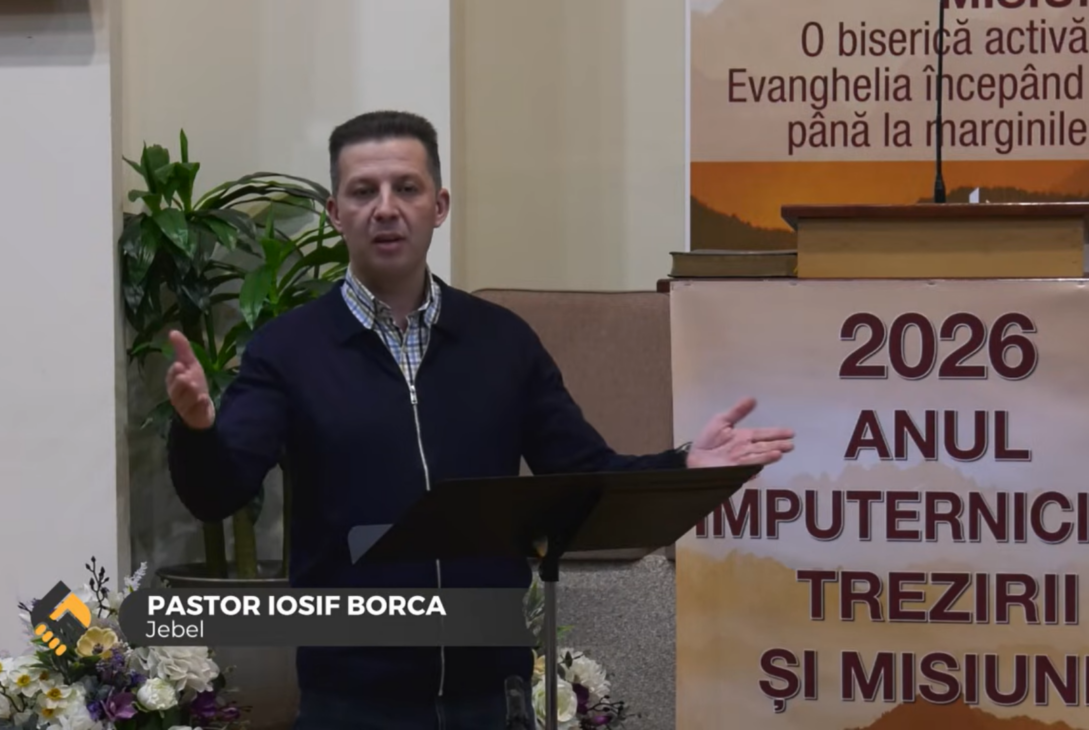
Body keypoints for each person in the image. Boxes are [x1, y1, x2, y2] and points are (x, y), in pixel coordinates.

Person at [165, 110, 795, 729]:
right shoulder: (287, 349)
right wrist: (195, 429)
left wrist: (684, 464)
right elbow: (218, 490)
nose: (385, 208)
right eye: (363, 191)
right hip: (351, 701)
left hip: (492, 696)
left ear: (439, 206)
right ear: (335, 213)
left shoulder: (501, 342)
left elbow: (584, 473)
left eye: (406, 188)